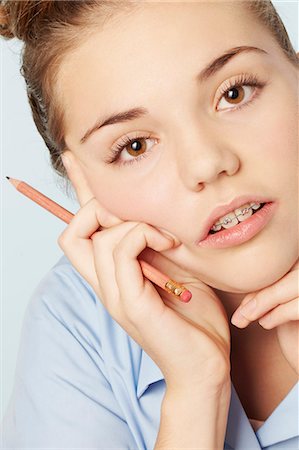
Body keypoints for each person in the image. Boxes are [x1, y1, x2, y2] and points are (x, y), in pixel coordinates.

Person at [1, 0, 298, 448]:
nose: (206, 163)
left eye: (234, 93)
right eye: (136, 146)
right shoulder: (76, 321)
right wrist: (196, 392)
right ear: (84, 182)